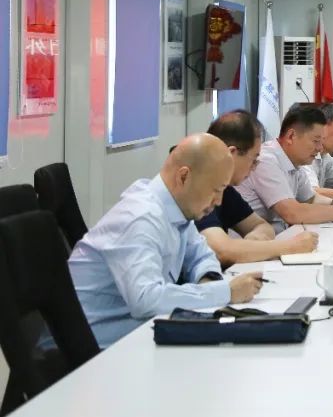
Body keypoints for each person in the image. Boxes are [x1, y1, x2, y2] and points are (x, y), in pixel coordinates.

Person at [67, 134, 264, 348]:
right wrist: (225, 292)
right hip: (95, 351)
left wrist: (208, 283)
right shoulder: (140, 218)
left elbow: (201, 255)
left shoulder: (176, 208)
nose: (218, 201)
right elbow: (146, 300)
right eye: (216, 190)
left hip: (136, 335)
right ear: (184, 177)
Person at [197, 110, 319, 267]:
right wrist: (290, 247)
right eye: (254, 159)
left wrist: (255, 239)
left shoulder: (226, 190)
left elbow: (261, 225)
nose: (255, 167)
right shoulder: (198, 189)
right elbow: (222, 251)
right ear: (232, 154)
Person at [236, 104, 333, 233]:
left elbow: (312, 199)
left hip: (278, 235)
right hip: (254, 242)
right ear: (291, 136)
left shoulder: (294, 162)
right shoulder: (266, 160)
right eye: (316, 141)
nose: (320, 148)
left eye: (321, 141)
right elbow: (292, 213)